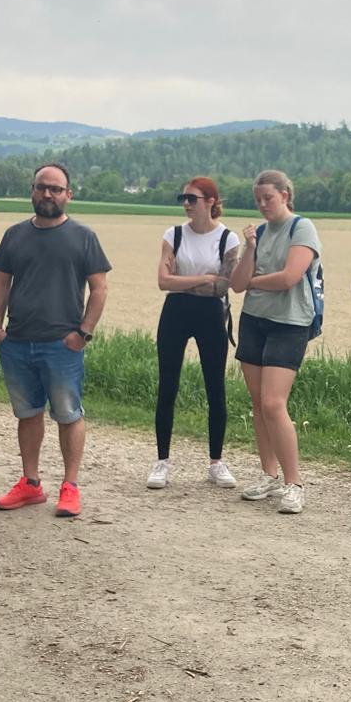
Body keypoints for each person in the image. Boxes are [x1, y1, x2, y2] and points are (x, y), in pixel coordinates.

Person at [0, 164, 109, 518]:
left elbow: (99, 288)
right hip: (18, 341)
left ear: (68, 194)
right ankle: (31, 483)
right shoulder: (15, 235)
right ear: (32, 190)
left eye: (56, 189)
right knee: (27, 414)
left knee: (68, 415)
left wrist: (83, 333)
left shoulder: (83, 237)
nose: (47, 194)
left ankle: (70, 487)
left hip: (62, 345)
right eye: (42, 187)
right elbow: (0, 283)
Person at [230, 170, 320, 516]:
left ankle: (294, 484)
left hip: (290, 323)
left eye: (268, 198)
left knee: (273, 403)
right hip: (254, 320)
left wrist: (254, 281)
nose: (263, 205)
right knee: (258, 403)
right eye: (258, 200)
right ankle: (269, 474)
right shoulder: (261, 233)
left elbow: (289, 278)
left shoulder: (302, 228)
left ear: (285, 195)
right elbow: (238, 284)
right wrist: (250, 248)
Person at [147, 177, 240, 491]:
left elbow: (222, 286)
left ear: (211, 201)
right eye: (183, 198)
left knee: (215, 387)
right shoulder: (173, 235)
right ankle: (162, 461)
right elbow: (163, 281)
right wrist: (202, 278)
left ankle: (216, 462)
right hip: (175, 311)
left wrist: (183, 280)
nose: (186, 204)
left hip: (211, 314)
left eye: (192, 198)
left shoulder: (228, 239)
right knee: (167, 385)